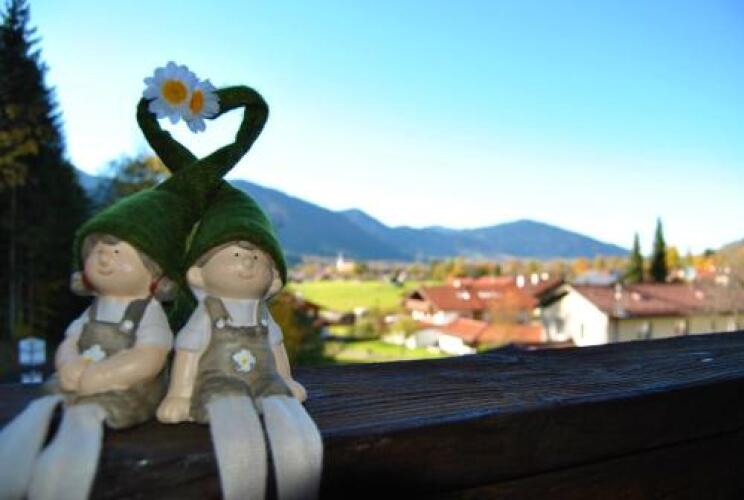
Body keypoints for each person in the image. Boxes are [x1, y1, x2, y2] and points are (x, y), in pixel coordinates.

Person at [158, 184, 323, 500]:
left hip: (266, 380)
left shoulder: (262, 313)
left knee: (297, 431)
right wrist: (180, 394)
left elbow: (275, 347)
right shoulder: (207, 312)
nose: (247, 263)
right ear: (199, 273)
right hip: (219, 383)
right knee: (237, 435)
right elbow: (188, 352)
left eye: (257, 257)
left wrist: (286, 379)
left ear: (273, 278)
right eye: (235, 254)